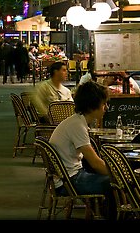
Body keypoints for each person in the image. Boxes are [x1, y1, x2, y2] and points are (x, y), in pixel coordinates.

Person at [49, 80, 116, 219]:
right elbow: (95, 163)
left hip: (67, 176)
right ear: (92, 106)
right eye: (104, 104)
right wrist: (121, 175)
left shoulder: (77, 121)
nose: (106, 107)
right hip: (69, 181)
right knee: (114, 185)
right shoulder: (77, 126)